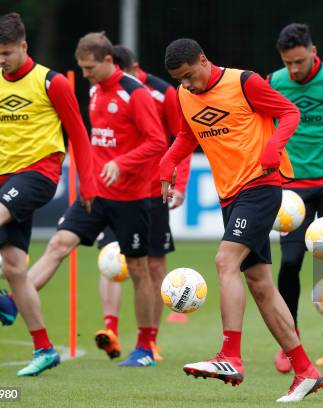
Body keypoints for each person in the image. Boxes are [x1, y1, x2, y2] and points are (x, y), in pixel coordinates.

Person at [0, 32, 166, 369]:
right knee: (58, 244)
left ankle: (144, 346)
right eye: (81, 68)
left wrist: (120, 163)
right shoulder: (95, 90)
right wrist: (89, 180)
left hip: (132, 198)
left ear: (109, 61)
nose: (84, 75)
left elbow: (157, 142)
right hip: (95, 195)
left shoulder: (135, 94)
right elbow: (93, 141)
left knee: (139, 269)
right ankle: (11, 304)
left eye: (90, 68)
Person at [160, 38, 323, 402]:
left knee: (224, 260)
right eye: (180, 80)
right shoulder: (183, 95)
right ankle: (305, 371)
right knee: (262, 285)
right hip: (229, 196)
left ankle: (230, 356)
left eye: (190, 76)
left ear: (204, 60)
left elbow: (290, 113)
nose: (187, 84)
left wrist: (274, 145)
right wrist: (167, 162)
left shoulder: (244, 82)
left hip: (260, 186)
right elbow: (187, 136)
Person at [0, 13, 96, 376]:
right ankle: (45, 348)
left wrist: (88, 185)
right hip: (6, 180)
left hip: (41, 174)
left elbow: (78, 133)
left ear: (24, 47)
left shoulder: (52, 82)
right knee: (15, 268)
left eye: (7, 53)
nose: (1, 60)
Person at [90, 45, 192, 361]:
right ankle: (111, 329)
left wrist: (180, 184)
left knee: (154, 264)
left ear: (135, 66)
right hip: (116, 191)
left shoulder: (164, 93)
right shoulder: (99, 90)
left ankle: (151, 340)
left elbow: (182, 137)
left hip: (153, 191)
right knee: (111, 258)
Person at [268, 23, 323, 378]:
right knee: (290, 262)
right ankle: (289, 342)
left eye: (300, 62)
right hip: (292, 189)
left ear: (313, 51)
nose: (294, 70)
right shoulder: (274, 82)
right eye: (288, 63)